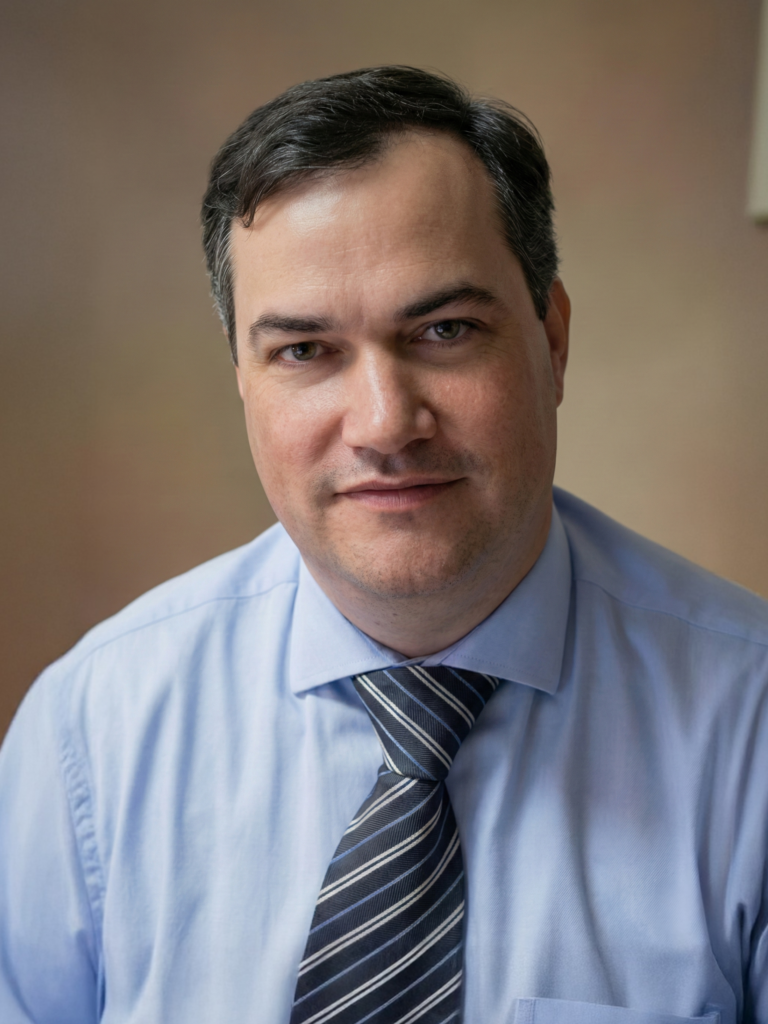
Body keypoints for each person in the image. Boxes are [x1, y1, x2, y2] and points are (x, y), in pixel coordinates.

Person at [0, 65, 767, 1024]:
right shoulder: (91, 733)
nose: (384, 423)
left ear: (553, 341)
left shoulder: (752, 730)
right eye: (304, 351)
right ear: (243, 379)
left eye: (445, 330)